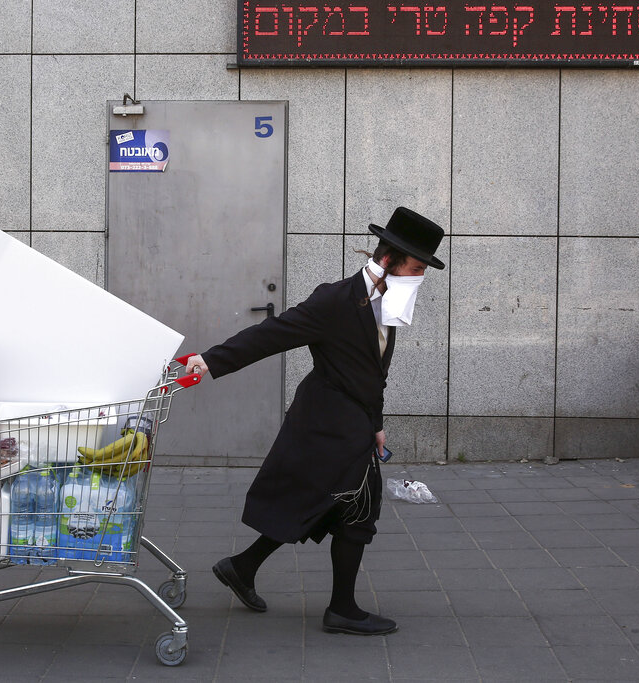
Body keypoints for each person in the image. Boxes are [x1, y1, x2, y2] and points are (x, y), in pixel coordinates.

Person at [185, 207, 445, 635]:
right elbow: (271, 334)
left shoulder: (386, 305)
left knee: (327, 504)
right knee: (358, 509)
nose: (419, 278)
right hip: (326, 425)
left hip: (353, 425)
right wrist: (208, 363)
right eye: (416, 268)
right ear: (389, 260)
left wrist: (376, 422)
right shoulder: (335, 300)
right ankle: (341, 609)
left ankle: (242, 567)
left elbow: (371, 375)